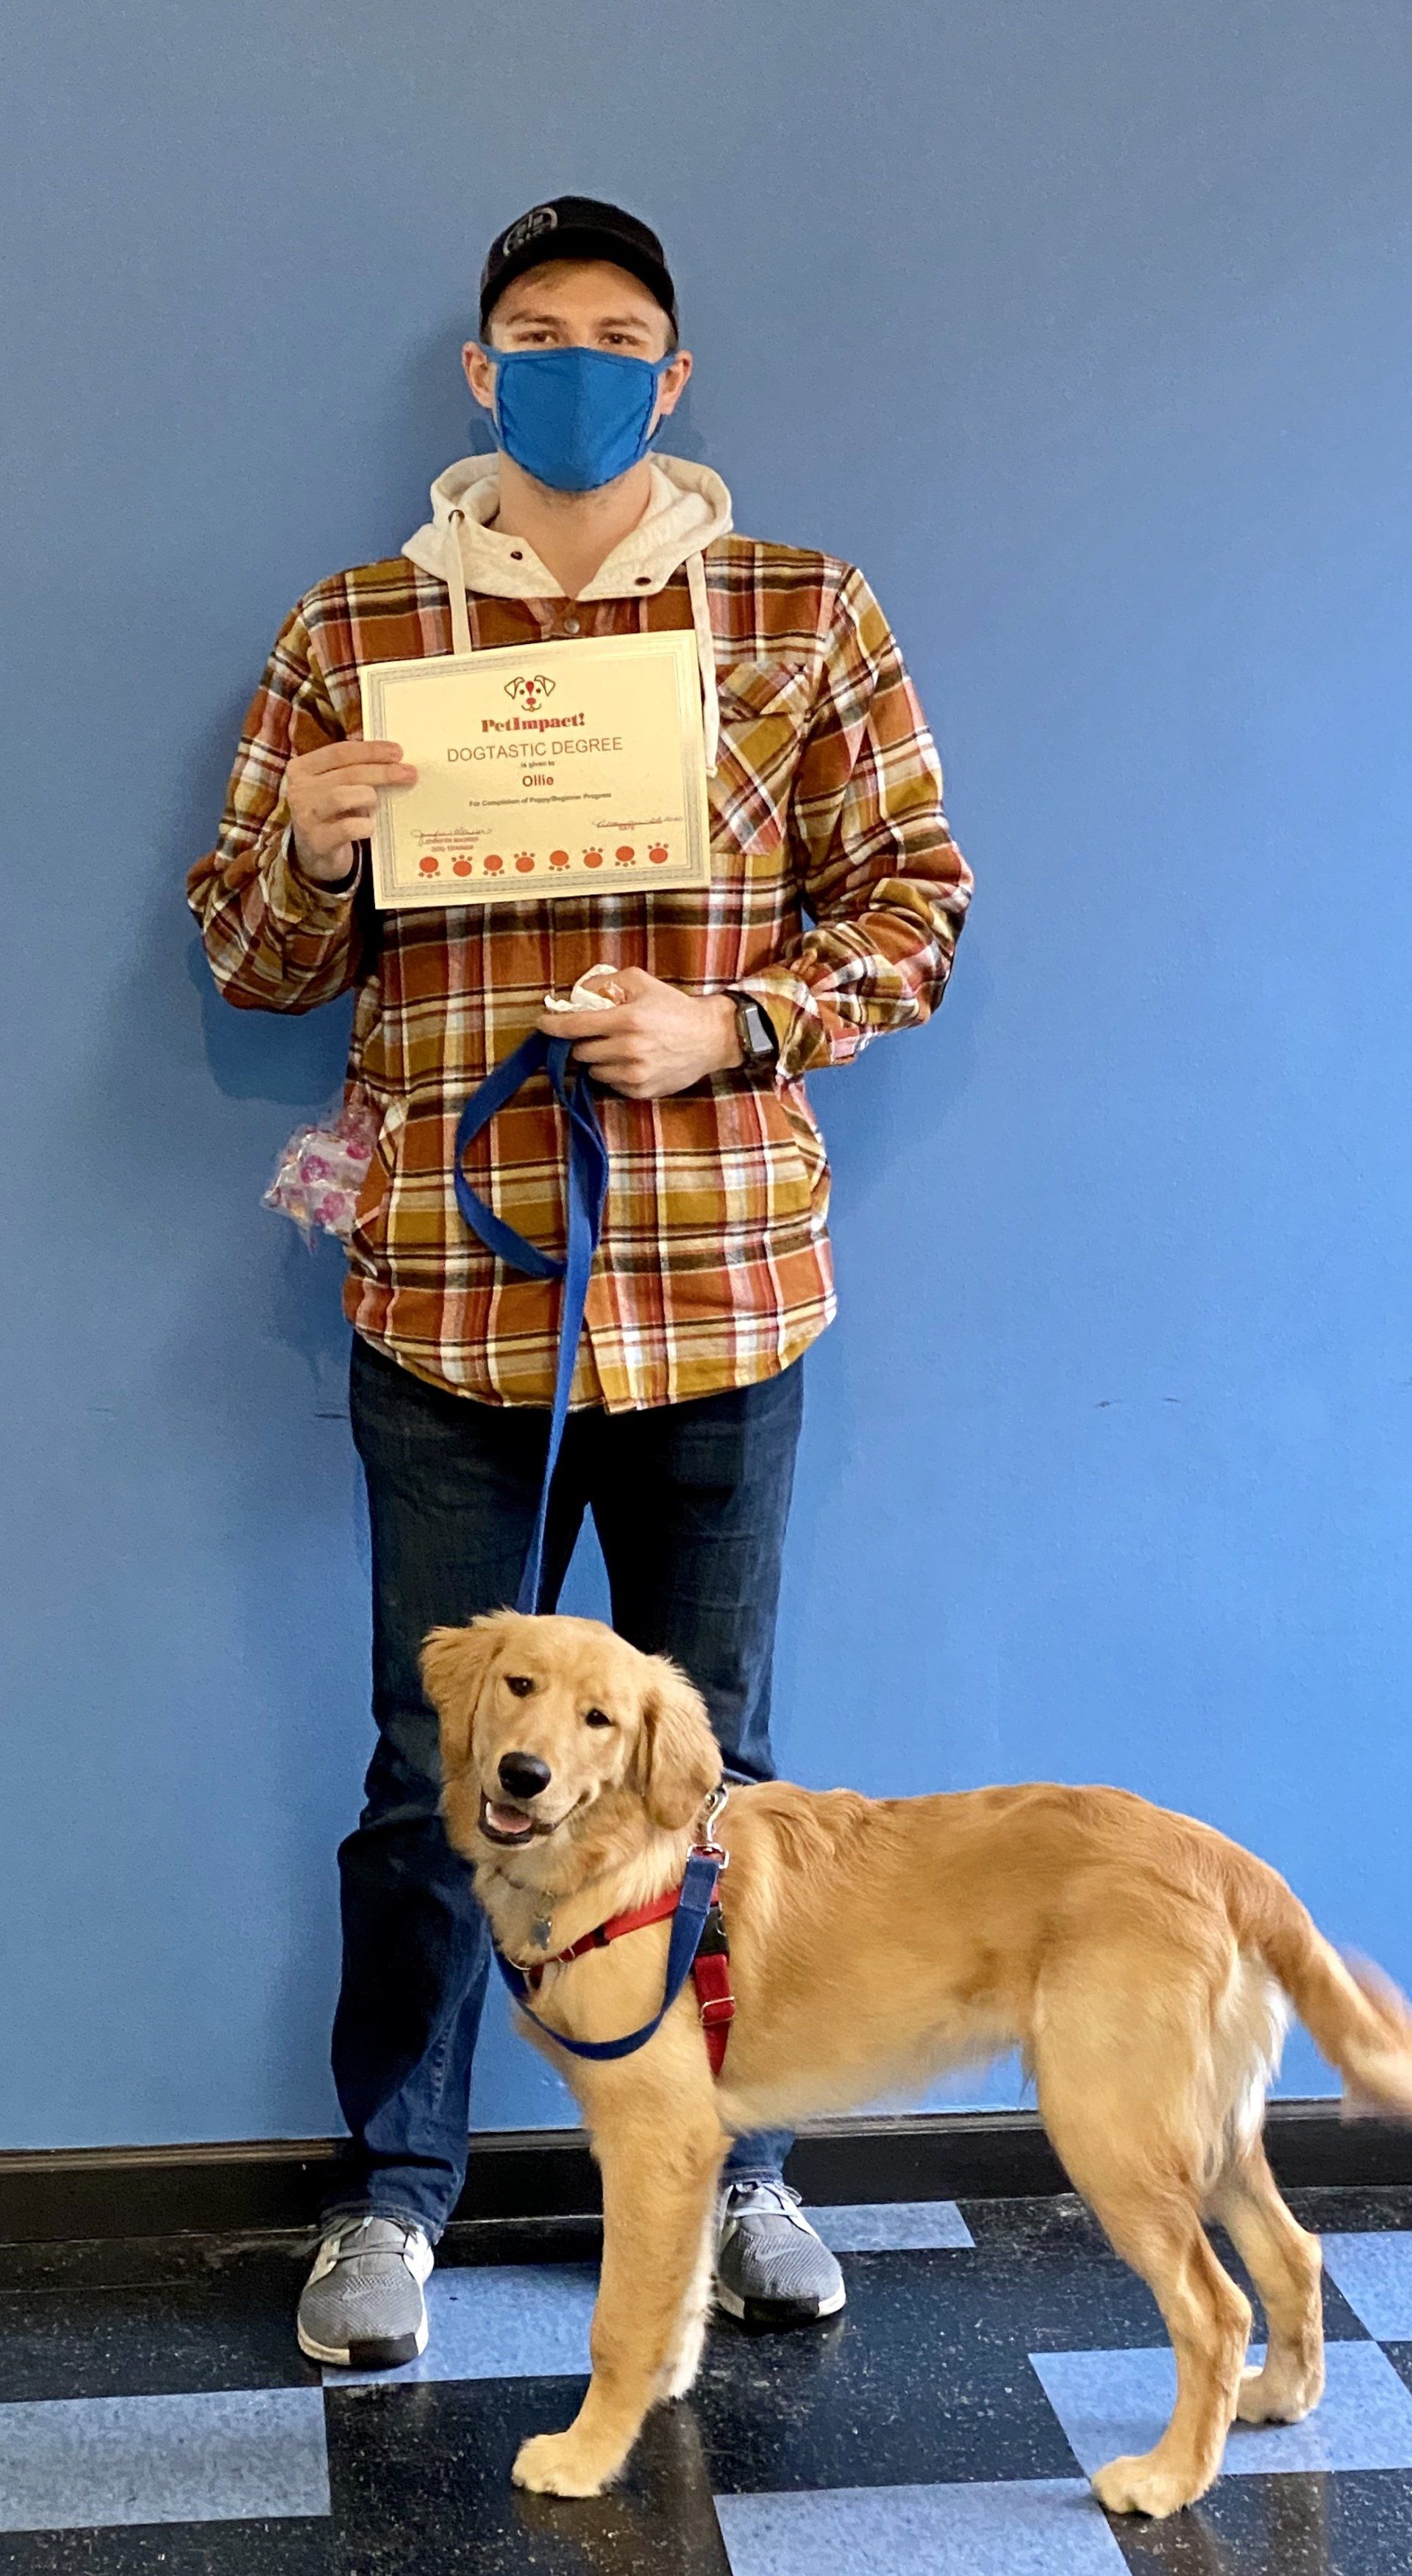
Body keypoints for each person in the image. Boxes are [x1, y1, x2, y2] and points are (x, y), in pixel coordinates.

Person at [189, 196, 972, 2369]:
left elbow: (914, 898)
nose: (577, 364)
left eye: (619, 335)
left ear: (676, 374)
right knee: (426, 1776)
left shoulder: (806, 615)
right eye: (537, 333)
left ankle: (739, 2177)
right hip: (446, 1294)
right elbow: (250, 961)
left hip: (721, 1286)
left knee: (713, 1774)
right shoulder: (359, 627)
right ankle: (398, 2200)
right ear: (479, 369)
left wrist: (740, 1028)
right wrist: (316, 853)